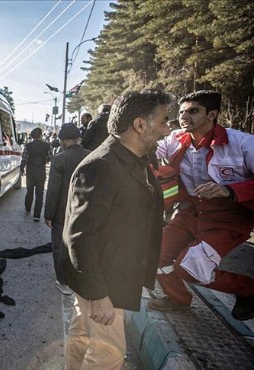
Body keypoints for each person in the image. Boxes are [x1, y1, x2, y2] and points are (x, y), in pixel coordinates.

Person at [63, 90, 173, 369]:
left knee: (83, 335)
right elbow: (80, 235)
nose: (167, 129)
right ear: (140, 125)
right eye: (163, 121)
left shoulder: (134, 158)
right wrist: (99, 295)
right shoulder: (102, 166)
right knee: (108, 354)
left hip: (109, 275)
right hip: (104, 281)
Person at [149, 90, 254, 321]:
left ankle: (248, 289)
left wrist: (230, 190)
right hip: (190, 212)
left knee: (191, 267)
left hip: (229, 219)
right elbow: (150, 150)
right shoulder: (175, 139)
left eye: (193, 111)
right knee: (155, 254)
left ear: (212, 114)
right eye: (182, 111)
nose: (185, 116)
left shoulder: (243, 143)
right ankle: (177, 299)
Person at [44, 124, 90, 296]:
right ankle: (79, 278)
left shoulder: (59, 159)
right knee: (82, 245)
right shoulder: (90, 155)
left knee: (60, 246)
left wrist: (48, 214)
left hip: (63, 212)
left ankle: (63, 281)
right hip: (86, 210)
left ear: (62, 141)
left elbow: (53, 190)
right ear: (78, 139)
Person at [20, 128, 51, 221]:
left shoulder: (28, 146)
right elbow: (50, 157)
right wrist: (44, 162)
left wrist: (22, 168)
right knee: (39, 194)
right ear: (40, 135)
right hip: (41, 172)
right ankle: (37, 215)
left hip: (30, 172)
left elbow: (24, 158)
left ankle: (27, 209)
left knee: (29, 192)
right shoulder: (46, 146)